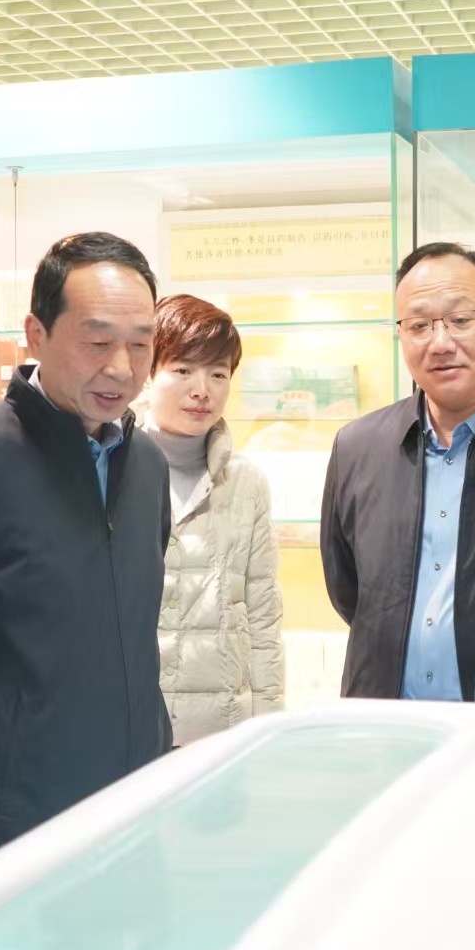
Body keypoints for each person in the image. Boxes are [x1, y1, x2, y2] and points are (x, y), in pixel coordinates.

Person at [0, 232, 172, 871]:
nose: (122, 368)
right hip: (11, 836)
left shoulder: (147, 464)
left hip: (136, 812)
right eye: (97, 342)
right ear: (36, 334)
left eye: (141, 343)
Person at [321, 241, 475, 700]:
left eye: (460, 319)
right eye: (419, 325)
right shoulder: (357, 447)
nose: (440, 343)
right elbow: (349, 591)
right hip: (383, 718)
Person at [141, 294, 284, 743]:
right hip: (131, 725)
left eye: (218, 374)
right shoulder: (112, 469)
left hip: (222, 731)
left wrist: (268, 727)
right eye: (183, 370)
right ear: (147, 373)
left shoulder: (246, 482)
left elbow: (263, 617)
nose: (202, 389)